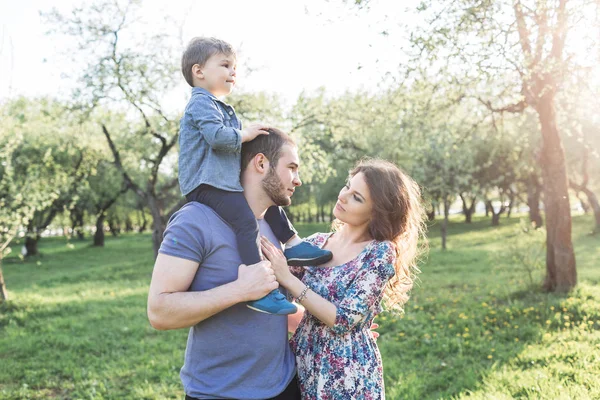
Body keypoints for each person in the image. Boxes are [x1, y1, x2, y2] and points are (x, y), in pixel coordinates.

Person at [178, 37, 332, 315]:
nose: (233, 72)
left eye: (234, 67)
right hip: (204, 184)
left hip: (221, 180)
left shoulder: (222, 108)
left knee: (267, 198)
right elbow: (216, 137)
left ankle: (294, 244)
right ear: (199, 71)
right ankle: (259, 288)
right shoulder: (200, 104)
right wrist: (244, 134)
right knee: (248, 222)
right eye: (225, 65)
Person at [148, 128, 305, 399]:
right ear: (260, 163)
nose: (298, 179)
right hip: (219, 392)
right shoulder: (194, 220)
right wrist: (240, 291)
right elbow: (159, 312)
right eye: (291, 167)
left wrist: (333, 328)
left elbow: (274, 312)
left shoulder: (274, 224)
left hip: (284, 384)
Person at [260, 159, 427, 399]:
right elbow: (278, 292)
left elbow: (342, 320)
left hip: (346, 372)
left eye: (357, 197)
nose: (343, 196)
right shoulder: (316, 243)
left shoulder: (379, 252)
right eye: (347, 186)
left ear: (376, 212)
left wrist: (288, 278)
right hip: (303, 361)